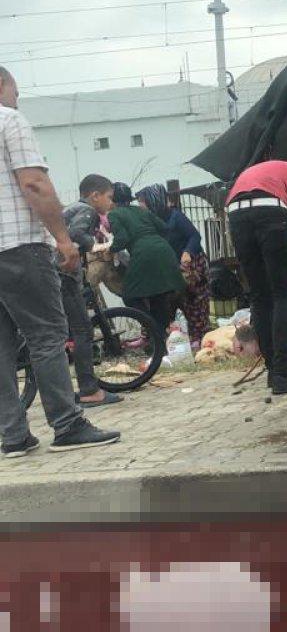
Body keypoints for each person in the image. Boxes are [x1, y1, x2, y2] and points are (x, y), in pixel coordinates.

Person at [0, 65, 121, 455]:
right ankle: (66, 425)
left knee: (2, 347)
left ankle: (13, 435)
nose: (17, 99)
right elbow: (33, 182)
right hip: (18, 247)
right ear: (3, 85)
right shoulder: (9, 120)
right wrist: (63, 238)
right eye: (16, 91)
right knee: (47, 336)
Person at [226, 159, 287, 394]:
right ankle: (283, 374)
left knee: (259, 296)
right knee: (283, 294)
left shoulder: (263, 172)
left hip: (235, 213)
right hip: (270, 211)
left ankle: (274, 371)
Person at [60, 174, 125, 407]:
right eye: (109, 198)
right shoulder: (87, 211)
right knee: (83, 330)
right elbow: (77, 235)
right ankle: (88, 390)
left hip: (51, 272)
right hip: (64, 274)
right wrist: (98, 246)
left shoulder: (71, 208)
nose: (110, 203)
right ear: (94, 195)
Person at [90, 182, 186, 334]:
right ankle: (159, 341)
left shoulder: (115, 214)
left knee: (129, 294)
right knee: (158, 296)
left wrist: (111, 249)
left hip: (143, 253)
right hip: (164, 251)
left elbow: (122, 239)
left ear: (113, 200)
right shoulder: (141, 210)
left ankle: (151, 326)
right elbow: (164, 228)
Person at [136, 183, 211, 347]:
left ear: (154, 201)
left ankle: (199, 338)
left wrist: (187, 252)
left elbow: (194, 237)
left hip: (190, 265)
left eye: (143, 202)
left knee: (193, 301)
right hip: (168, 267)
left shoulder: (176, 216)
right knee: (163, 301)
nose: (140, 206)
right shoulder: (150, 220)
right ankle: (154, 339)